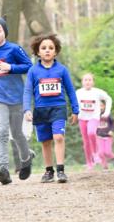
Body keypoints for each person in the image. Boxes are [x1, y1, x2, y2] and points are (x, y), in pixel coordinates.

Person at [0, 17, 34, 185]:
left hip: (16, 97)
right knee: (2, 131)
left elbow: (29, 66)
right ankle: (3, 169)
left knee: (17, 133)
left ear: (5, 32)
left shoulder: (14, 49)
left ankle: (26, 159)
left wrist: (11, 67)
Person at [23, 33, 79, 184]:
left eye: (51, 48)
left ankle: (60, 170)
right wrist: (26, 109)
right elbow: (27, 91)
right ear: (38, 52)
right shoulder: (33, 71)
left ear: (56, 51)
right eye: (43, 48)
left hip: (58, 108)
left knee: (58, 137)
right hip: (40, 110)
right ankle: (49, 171)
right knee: (45, 141)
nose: (47, 50)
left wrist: (75, 110)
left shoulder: (62, 70)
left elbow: (70, 90)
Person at [76, 72, 112, 170]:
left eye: (89, 80)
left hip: (94, 117)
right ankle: (89, 163)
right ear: (82, 82)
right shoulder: (78, 92)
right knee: (86, 141)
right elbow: (73, 103)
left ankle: (96, 153)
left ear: (93, 82)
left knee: (91, 133)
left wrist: (107, 112)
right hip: (82, 118)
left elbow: (108, 99)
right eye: (85, 80)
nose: (87, 82)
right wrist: (75, 113)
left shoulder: (97, 92)